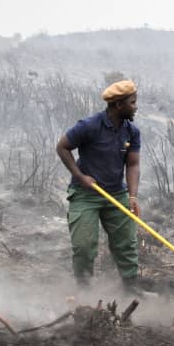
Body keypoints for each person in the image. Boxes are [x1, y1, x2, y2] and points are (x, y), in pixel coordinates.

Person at [56, 79, 143, 289]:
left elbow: (132, 164)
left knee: (127, 245)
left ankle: (132, 290)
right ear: (118, 105)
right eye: (132, 103)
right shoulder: (89, 126)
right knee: (84, 246)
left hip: (116, 195)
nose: (136, 107)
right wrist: (80, 176)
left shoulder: (132, 131)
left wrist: (132, 196)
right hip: (85, 194)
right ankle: (84, 293)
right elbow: (62, 147)